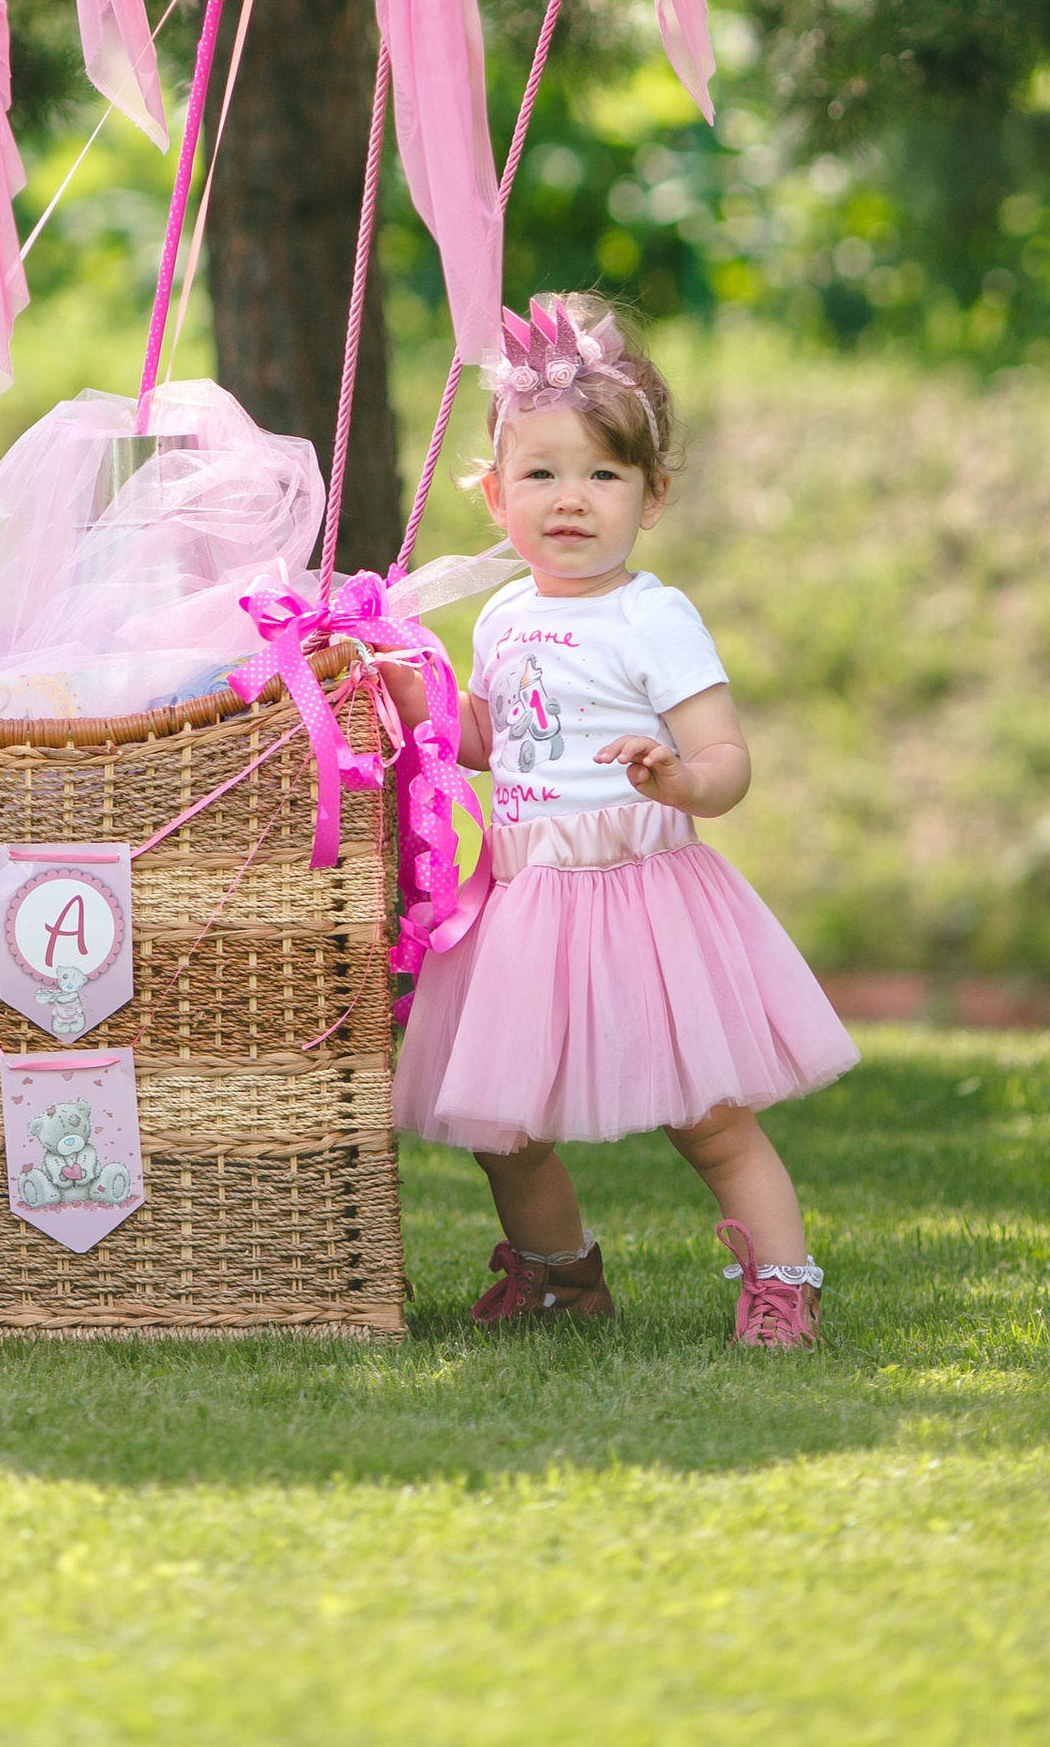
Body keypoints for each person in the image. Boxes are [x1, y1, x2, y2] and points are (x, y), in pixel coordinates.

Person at [385, 294, 855, 1348]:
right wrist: (420, 704)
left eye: (603, 473)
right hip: (529, 901)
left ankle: (782, 1282)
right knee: (501, 1126)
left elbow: (727, 760)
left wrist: (678, 777)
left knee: (709, 1118)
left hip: (643, 896)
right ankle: (561, 1275)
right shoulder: (504, 613)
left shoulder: (653, 614)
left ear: (651, 496)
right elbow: (491, 736)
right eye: (540, 473)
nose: (570, 498)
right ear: (494, 493)